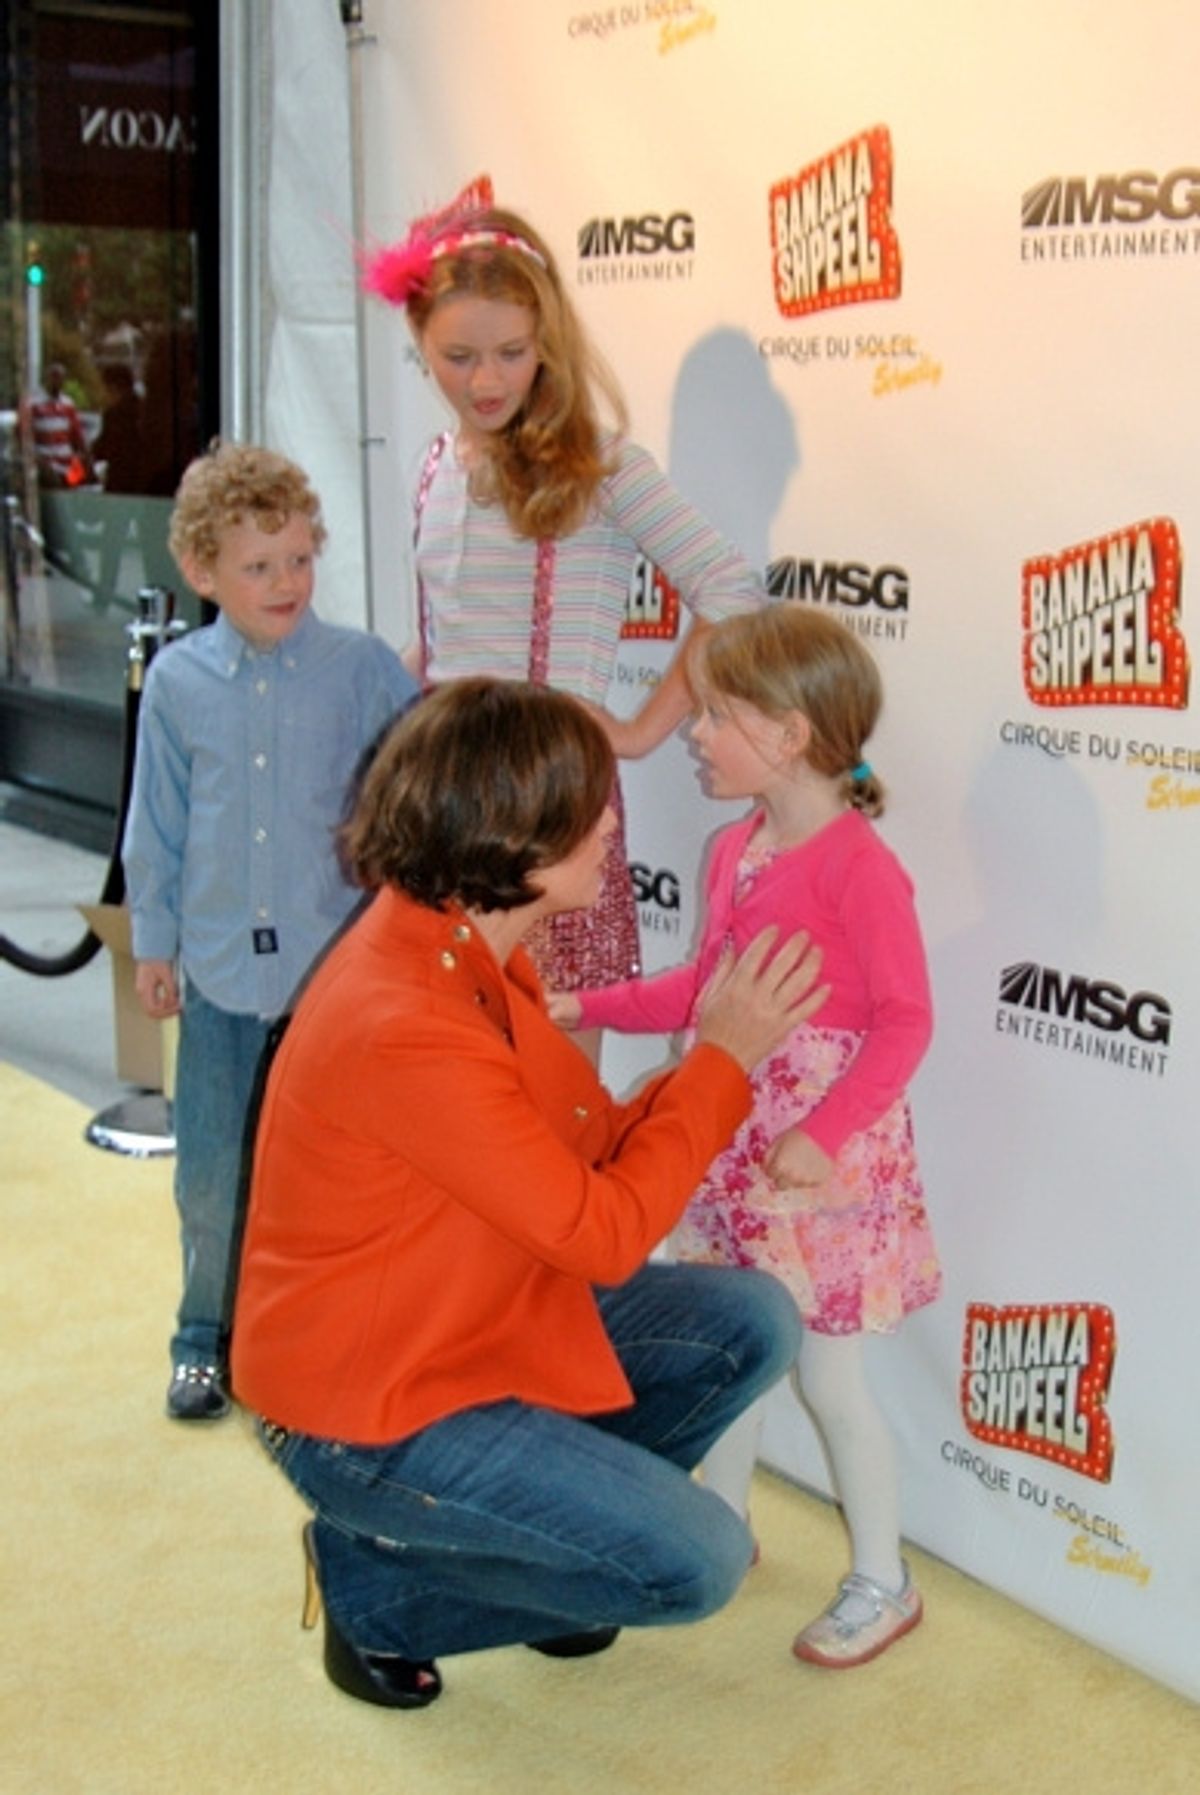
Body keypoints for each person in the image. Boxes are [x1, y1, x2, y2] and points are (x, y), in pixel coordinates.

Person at [230, 677, 828, 1710]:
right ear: (511, 839)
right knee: (696, 1564)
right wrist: (721, 1061)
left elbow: (587, 1144)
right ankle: (374, 1585)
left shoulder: (461, 942)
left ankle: (548, 1553)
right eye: (585, 806)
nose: (610, 823)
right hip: (366, 1414)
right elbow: (602, 1235)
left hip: (465, 1324)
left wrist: (701, 1078)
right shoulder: (406, 1013)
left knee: (749, 1320)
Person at [552, 605, 941, 1670]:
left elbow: (906, 1019)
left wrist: (824, 1128)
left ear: (790, 733)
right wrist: (591, 1003)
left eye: (716, 716)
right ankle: (723, 1528)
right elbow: (701, 987)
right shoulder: (736, 849)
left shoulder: (862, 868)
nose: (694, 735)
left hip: (819, 1168)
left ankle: (882, 1578)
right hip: (728, 1135)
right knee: (733, 1352)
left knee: (827, 1379)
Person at [362, 177, 763, 1044]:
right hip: (445, 797)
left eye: (511, 351)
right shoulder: (433, 464)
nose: (487, 379)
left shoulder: (602, 467)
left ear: (546, 339)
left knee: (549, 1065)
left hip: (548, 793)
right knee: (444, 1057)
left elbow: (730, 589)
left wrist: (641, 730)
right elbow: (442, 641)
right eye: (458, 356)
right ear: (419, 340)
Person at [122, 441, 416, 1423]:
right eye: (258, 567)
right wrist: (152, 944)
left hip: (335, 985)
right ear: (202, 571)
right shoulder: (176, 682)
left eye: (299, 558)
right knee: (212, 1174)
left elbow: (414, 806)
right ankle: (202, 1336)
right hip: (216, 981)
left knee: (336, 1175)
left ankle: (329, 1340)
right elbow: (154, 820)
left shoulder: (365, 670)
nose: (285, 582)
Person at [19, 361, 92, 488]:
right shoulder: (32, 404)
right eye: (54, 377)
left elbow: (77, 435)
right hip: (46, 464)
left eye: (61, 378)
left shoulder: (67, 404)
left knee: (72, 491)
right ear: (47, 378)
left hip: (68, 464)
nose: (58, 382)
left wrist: (84, 457)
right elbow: (23, 435)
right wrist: (36, 459)